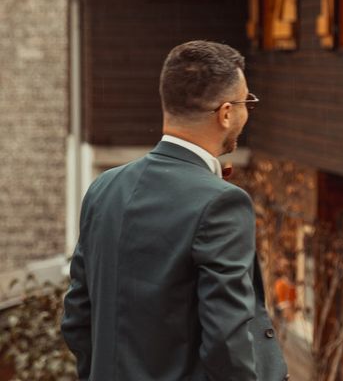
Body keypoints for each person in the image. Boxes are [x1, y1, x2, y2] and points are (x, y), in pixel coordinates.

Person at [61, 41, 289, 381]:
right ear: (226, 113)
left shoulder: (104, 188)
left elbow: (78, 317)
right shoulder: (221, 203)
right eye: (246, 103)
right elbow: (227, 339)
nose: (246, 113)